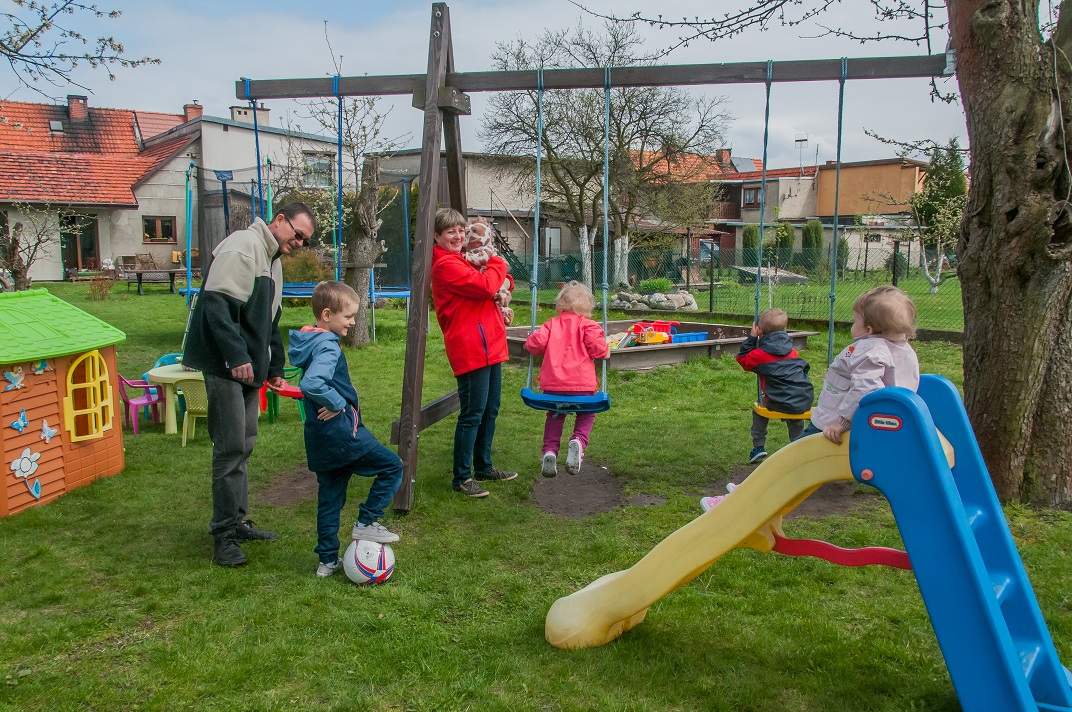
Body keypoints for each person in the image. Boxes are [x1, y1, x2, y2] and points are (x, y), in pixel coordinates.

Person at [701, 286, 919, 513]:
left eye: (855, 321)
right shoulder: (904, 351)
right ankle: (747, 490)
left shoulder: (870, 349)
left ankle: (737, 501)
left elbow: (865, 390)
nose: (852, 325)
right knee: (792, 462)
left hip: (832, 425)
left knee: (788, 461)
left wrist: (842, 422)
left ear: (869, 329)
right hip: (876, 426)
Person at [183, 202, 316, 567]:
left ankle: (237, 519)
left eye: (305, 240)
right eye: (298, 234)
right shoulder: (243, 245)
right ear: (279, 221)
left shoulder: (271, 259)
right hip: (225, 365)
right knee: (229, 448)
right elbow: (215, 306)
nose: (300, 243)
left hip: (246, 368)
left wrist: (274, 365)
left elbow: (270, 321)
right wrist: (236, 356)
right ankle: (223, 534)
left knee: (244, 443)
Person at [288, 281, 403, 578]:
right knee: (392, 466)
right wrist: (337, 402)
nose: (353, 322)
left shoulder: (309, 339)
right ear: (327, 314)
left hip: (319, 437)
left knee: (329, 500)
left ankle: (327, 562)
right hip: (343, 434)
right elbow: (312, 383)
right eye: (348, 316)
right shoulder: (327, 344)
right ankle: (366, 522)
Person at [430, 208, 517, 498]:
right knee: (472, 414)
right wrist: (496, 262)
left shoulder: (463, 260)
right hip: (471, 348)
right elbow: (485, 286)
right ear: (436, 236)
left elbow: (503, 282)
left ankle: (483, 466)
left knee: (490, 410)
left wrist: (498, 274)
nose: (457, 236)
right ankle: (462, 478)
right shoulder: (446, 266)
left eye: (460, 231)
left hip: (490, 344)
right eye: (450, 232)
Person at [524, 281, 610, 477]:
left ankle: (549, 451)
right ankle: (578, 441)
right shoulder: (588, 326)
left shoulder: (550, 325)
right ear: (587, 308)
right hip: (582, 387)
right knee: (587, 413)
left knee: (555, 415)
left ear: (560, 306)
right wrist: (606, 352)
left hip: (553, 388)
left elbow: (535, 345)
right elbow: (598, 348)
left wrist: (530, 340)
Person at [734, 308, 814, 464]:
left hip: (777, 401)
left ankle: (758, 447)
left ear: (759, 330)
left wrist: (752, 337)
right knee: (795, 415)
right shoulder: (793, 352)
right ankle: (798, 447)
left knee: (759, 410)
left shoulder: (761, 354)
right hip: (803, 400)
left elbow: (742, 359)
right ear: (784, 330)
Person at [463, 216, 514, 326]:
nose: (472, 245)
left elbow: (482, 258)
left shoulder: (487, 249)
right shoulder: (474, 252)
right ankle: (504, 311)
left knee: (499, 293)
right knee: (497, 295)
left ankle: (505, 310)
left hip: (492, 276)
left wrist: (466, 256)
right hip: (489, 279)